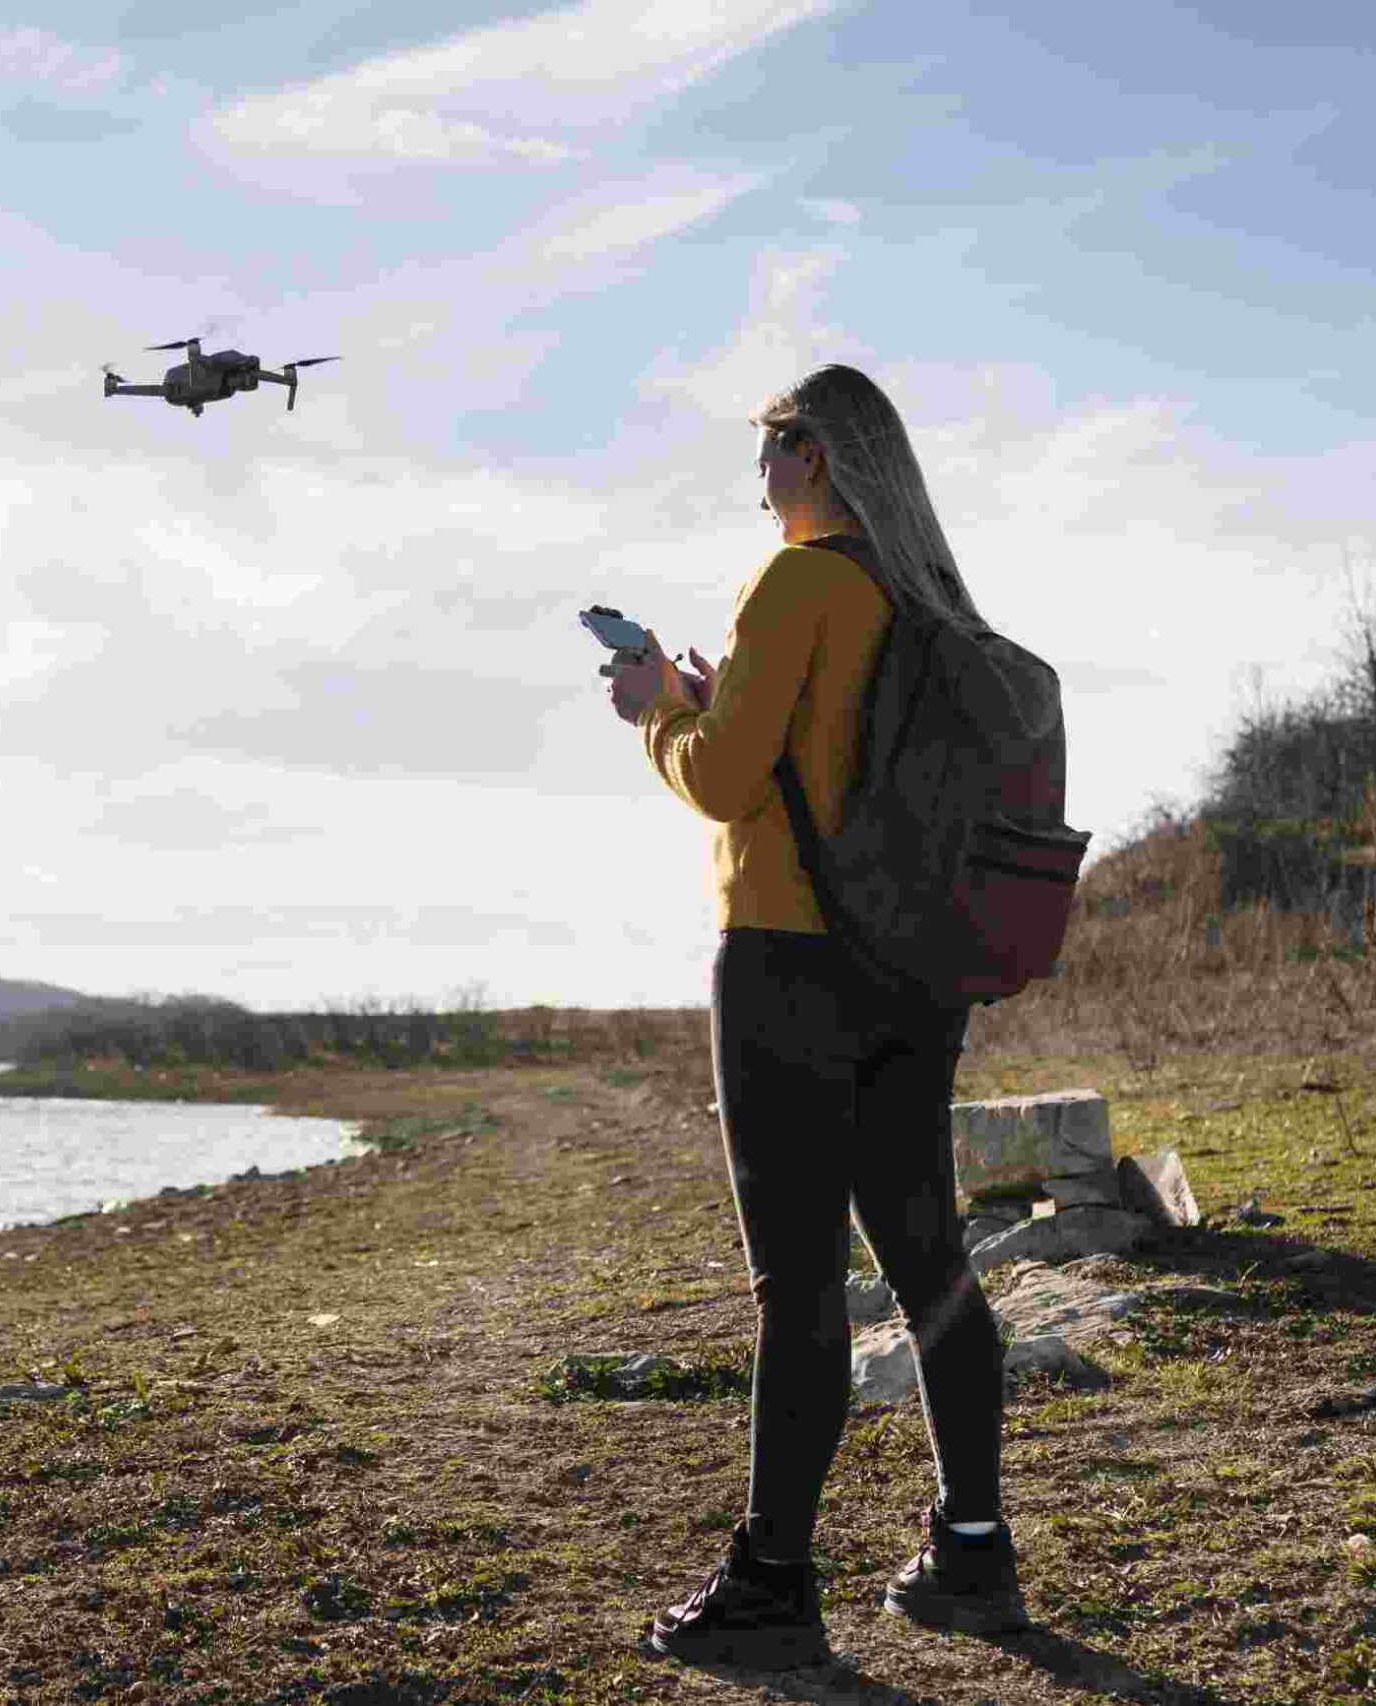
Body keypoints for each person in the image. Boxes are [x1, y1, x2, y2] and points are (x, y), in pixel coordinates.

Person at [604, 364, 1028, 1671]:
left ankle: (774, 1583)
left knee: (798, 1285)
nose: (760, 470)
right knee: (928, 1255)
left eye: (771, 446)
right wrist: (718, 693)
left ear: (816, 456)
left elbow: (733, 779)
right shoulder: (921, 599)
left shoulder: (792, 584)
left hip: (789, 960)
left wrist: (656, 715)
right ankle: (973, 1546)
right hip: (913, 968)